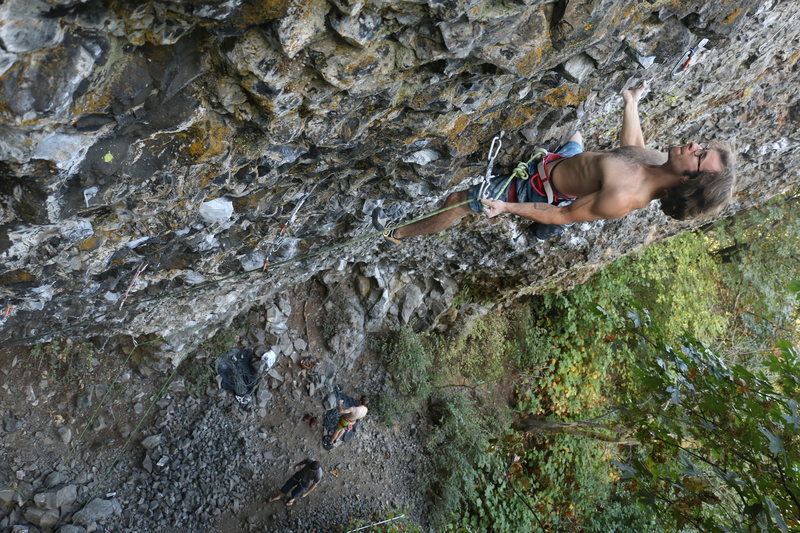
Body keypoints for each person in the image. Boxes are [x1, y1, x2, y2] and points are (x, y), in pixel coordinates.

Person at [373, 82, 736, 242]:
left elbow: (563, 213)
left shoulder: (624, 198)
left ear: (689, 181)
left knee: (459, 202)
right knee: (575, 137)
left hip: (538, 187)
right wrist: (630, 104)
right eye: (702, 145)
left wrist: (507, 206)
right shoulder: (661, 162)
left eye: (700, 155)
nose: (694, 144)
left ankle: (398, 233)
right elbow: (632, 150)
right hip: (567, 162)